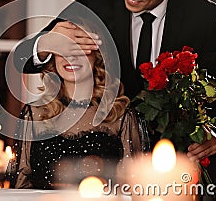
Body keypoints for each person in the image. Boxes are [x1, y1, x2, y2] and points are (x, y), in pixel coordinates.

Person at [13, 0, 216, 162]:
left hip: (173, 156)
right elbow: (21, 59)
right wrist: (44, 43)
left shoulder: (203, 16)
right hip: (108, 152)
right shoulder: (96, 0)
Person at [8, 23, 147, 189]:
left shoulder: (121, 116)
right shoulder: (33, 113)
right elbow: (20, 186)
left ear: (98, 56)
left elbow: (133, 188)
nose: (71, 57)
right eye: (63, 50)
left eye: (80, 49)